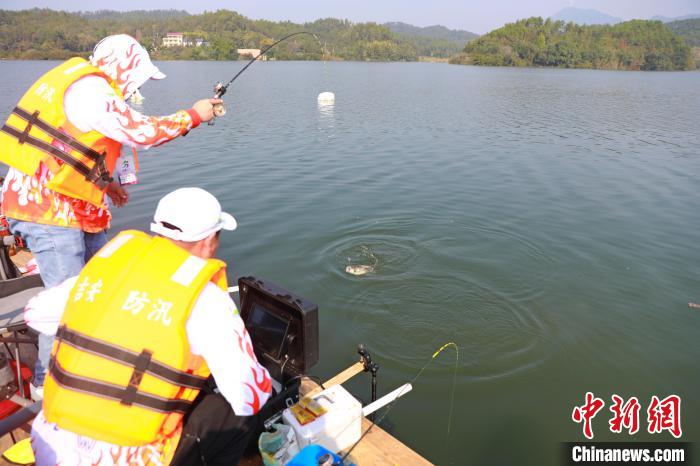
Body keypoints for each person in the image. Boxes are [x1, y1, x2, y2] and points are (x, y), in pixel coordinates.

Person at [0, 34, 222, 392]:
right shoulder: (92, 90)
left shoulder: (84, 83)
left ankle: (94, 364)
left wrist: (107, 186)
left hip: (70, 207)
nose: (138, 85)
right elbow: (142, 132)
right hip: (48, 211)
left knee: (102, 286)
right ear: (126, 66)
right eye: (138, 75)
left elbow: (72, 149)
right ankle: (48, 388)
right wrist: (194, 115)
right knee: (68, 300)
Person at [24, 187, 272, 465]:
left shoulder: (107, 269)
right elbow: (247, 397)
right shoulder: (206, 299)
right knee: (235, 412)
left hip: (50, 445)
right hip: (126, 457)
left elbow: (34, 314)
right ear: (208, 241)